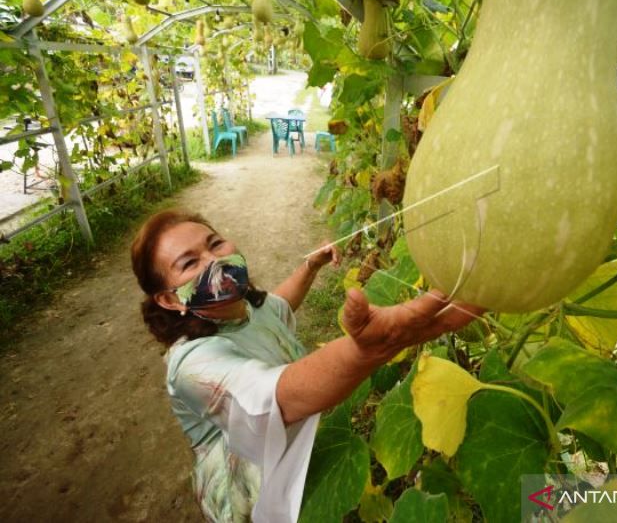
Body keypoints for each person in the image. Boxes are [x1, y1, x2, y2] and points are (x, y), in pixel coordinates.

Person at [130, 209, 483, 523]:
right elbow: (278, 397)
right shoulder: (192, 364)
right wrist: (369, 349)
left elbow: (278, 306)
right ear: (169, 299)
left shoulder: (244, 307)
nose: (213, 261)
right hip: (251, 495)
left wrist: (309, 267)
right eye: (189, 263)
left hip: (294, 448)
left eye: (215, 243)